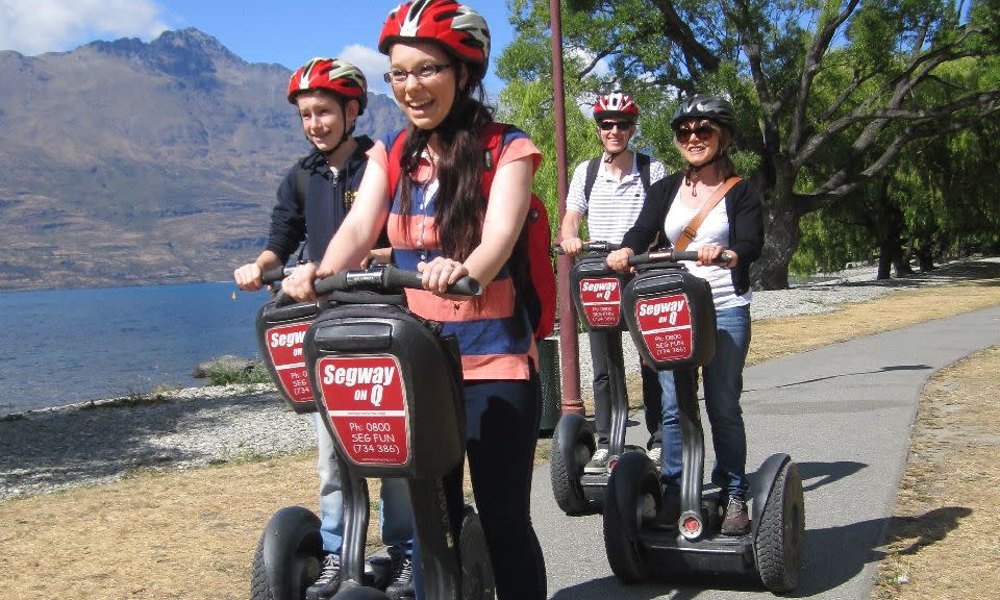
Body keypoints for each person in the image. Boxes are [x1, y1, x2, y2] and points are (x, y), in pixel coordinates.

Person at [313, 2, 547, 598]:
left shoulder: (508, 150)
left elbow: (498, 238)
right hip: (418, 368)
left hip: (496, 367)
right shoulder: (391, 153)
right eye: (398, 73)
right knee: (429, 528)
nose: (410, 88)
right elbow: (359, 228)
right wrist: (315, 275)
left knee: (502, 524)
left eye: (426, 71)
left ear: (464, 73)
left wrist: (462, 268)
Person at [232, 57, 413, 600]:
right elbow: (280, 239)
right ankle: (338, 553)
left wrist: (364, 259)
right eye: (306, 115)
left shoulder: (378, 166)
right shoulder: (301, 176)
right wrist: (259, 268)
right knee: (333, 452)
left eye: (325, 112)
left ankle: (405, 554)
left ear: (351, 110)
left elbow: (400, 236)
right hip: (325, 328)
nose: (315, 123)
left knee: (391, 446)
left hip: (385, 320)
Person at [606, 94, 764, 536]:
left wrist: (728, 253)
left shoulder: (742, 191)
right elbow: (641, 230)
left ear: (722, 136)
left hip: (725, 308)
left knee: (722, 405)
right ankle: (677, 490)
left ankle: (733, 491)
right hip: (675, 309)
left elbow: (753, 242)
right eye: (684, 132)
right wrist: (624, 251)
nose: (693, 138)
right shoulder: (666, 189)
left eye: (703, 130)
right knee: (674, 408)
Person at [559, 91, 667, 473]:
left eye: (623, 124)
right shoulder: (586, 172)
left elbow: (659, 222)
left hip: (640, 270)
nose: (615, 130)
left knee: (650, 358)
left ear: (633, 128)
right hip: (599, 274)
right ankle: (608, 441)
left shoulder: (652, 169)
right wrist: (570, 237)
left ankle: (658, 440)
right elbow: (571, 217)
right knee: (604, 364)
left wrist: (639, 248)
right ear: (599, 129)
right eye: (607, 124)